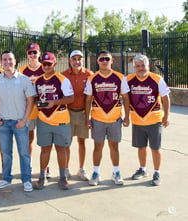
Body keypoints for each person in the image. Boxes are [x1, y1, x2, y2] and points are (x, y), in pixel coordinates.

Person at [0, 50, 36, 192]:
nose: (7, 62)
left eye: (10, 59)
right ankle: (6, 178)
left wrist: (24, 120)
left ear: (15, 61)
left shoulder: (24, 80)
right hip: (4, 122)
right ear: (1, 62)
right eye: (4, 59)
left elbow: (30, 101)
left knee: (24, 152)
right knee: (6, 152)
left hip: (19, 122)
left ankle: (26, 179)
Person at [84, 50, 130, 186]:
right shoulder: (92, 78)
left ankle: (116, 172)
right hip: (97, 118)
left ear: (111, 61)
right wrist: (87, 118)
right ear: (97, 61)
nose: (104, 61)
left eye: (107, 59)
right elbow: (88, 100)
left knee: (114, 146)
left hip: (115, 119)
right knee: (98, 146)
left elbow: (126, 98)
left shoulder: (120, 77)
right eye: (101, 59)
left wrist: (127, 116)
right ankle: (96, 172)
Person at [126, 54, 170, 186]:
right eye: (137, 66)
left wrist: (166, 117)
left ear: (148, 66)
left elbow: (166, 99)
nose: (140, 68)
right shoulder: (128, 80)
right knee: (141, 147)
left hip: (154, 120)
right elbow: (126, 99)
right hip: (137, 120)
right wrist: (126, 117)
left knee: (155, 148)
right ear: (134, 67)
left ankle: (157, 172)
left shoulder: (157, 79)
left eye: (143, 65)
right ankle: (143, 169)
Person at [32, 52, 74, 190]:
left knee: (61, 149)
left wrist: (54, 102)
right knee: (45, 149)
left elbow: (70, 98)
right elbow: (35, 98)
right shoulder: (37, 80)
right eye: (44, 64)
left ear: (54, 63)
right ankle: (42, 176)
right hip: (44, 119)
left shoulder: (62, 79)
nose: (46, 66)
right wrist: (38, 103)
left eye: (49, 63)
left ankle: (62, 177)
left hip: (61, 119)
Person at [19, 43, 51, 178]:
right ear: (27, 54)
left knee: (45, 140)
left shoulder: (45, 67)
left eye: (35, 52)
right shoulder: (22, 70)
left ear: (39, 53)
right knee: (29, 139)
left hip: (43, 110)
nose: (32, 55)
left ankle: (46, 167)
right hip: (29, 109)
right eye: (30, 52)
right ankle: (29, 164)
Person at [62, 50, 93, 181]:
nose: (76, 61)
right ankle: (66, 169)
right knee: (66, 143)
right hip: (67, 112)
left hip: (82, 112)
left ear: (83, 60)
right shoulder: (63, 75)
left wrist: (88, 117)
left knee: (82, 141)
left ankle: (81, 169)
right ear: (70, 61)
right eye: (74, 59)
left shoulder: (89, 75)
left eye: (79, 59)